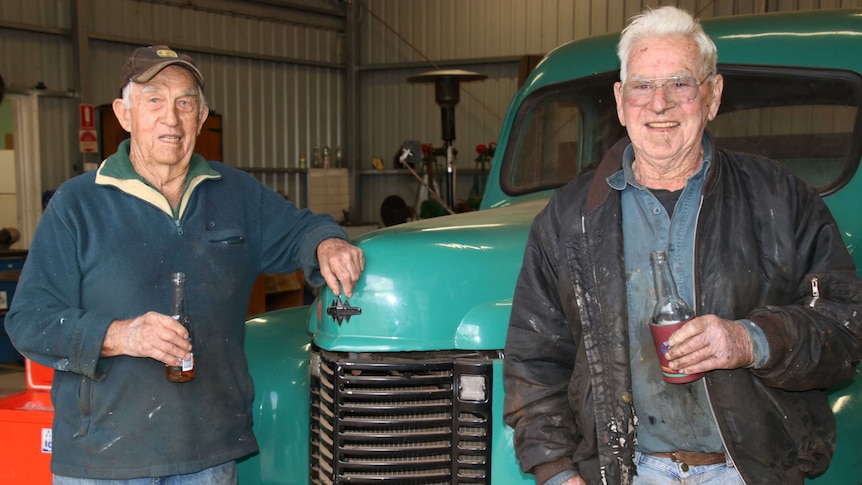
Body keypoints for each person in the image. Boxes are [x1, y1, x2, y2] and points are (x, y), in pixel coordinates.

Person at [503, 6, 862, 485]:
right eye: (643, 86)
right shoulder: (568, 221)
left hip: (749, 472)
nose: (659, 105)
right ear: (619, 99)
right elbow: (534, 362)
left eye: (680, 84)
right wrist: (558, 472)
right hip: (626, 474)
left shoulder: (780, 198)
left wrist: (749, 341)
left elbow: (845, 327)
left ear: (712, 96)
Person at [5, 45, 364, 483]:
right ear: (124, 113)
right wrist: (121, 335)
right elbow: (29, 321)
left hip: (208, 455)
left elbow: (302, 230)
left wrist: (328, 243)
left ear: (201, 115)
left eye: (185, 103)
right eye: (154, 100)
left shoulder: (236, 193)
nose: (170, 118)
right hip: (106, 458)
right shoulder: (78, 204)